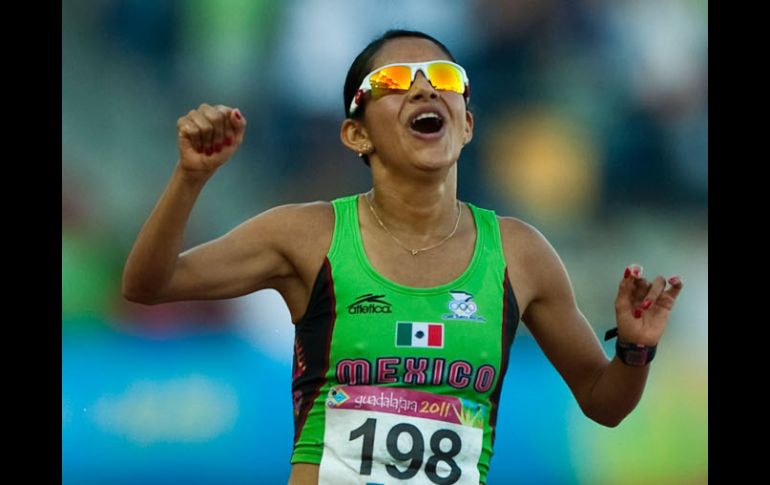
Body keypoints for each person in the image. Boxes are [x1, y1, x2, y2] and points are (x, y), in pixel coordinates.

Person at [122, 29, 683, 485]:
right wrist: (189, 179)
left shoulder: (520, 253)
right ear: (354, 134)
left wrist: (635, 348)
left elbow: (603, 402)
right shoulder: (307, 234)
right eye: (392, 81)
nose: (424, 90)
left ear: (466, 122)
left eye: (443, 78)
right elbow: (149, 283)